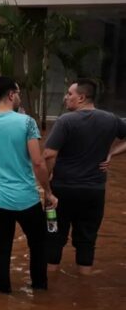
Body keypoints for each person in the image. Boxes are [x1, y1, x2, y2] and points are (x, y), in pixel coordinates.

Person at [0, 75, 57, 294]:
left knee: (1, 250)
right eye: (18, 92)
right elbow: (38, 162)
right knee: (38, 246)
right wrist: (48, 192)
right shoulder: (26, 122)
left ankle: (2, 294)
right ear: (11, 95)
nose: (20, 96)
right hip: (26, 199)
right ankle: (39, 291)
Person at [43, 79, 126, 275]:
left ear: (81, 97)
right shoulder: (111, 119)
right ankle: (85, 288)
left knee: (53, 236)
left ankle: (47, 290)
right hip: (94, 192)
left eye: (69, 94)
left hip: (62, 191)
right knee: (87, 240)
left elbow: (48, 154)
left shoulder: (65, 121)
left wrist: (47, 188)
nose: (65, 97)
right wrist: (112, 153)